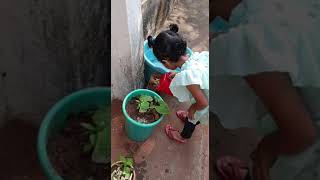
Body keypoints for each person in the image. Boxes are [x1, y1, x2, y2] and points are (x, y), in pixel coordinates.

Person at [211, 0, 320, 179]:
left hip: (307, 150)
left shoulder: (253, 42)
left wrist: (267, 148)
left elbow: (302, 135)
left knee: (274, 167)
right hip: (306, 116)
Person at [147, 24, 209, 143]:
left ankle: (183, 137)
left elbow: (203, 103)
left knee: (193, 116)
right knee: (194, 113)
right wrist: (178, 75)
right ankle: (190, 117)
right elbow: (196, 75)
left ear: (165, 62)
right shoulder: (194, 58)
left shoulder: (189, 78)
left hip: (207, 101)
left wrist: (192, 109)